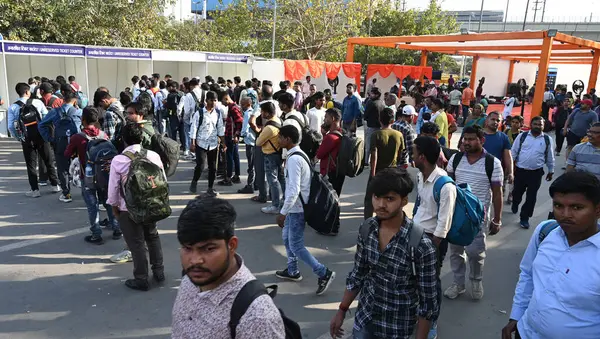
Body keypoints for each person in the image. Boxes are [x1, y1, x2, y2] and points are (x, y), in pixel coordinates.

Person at [330, 168, 438, 339]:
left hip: (397, 328)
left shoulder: (421, 246)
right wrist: (341, 311)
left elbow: (428, 304)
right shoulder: (367, 229)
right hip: (365, 321)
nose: (380, 204)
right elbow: (358, 274)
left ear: (404, 201)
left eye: (389, 199)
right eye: (376, 197)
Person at [502, 171, 600, 339]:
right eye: (558, 206)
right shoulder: (546, 231)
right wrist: (516, 316)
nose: (565, 215)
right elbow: (527, 274)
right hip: (525, 332)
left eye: (577, 207)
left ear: (598, 210)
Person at [172, 197, 285, 338]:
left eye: (208, 249)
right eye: (187, 248)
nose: (195, 260)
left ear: (231, 245)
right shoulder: (191, 278)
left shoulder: (257, 317)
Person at [274, 125, 336, 294]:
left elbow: (294, 190)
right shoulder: (297, 155)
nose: (278, 139)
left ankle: (323, 272)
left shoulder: (294, 159)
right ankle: (292, 270)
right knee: (287, 238)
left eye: (280, 137)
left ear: (288, 139)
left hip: (297, 209)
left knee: (296, 245)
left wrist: (283, 212)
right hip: (295, 206)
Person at [445, 125, 503, 301]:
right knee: (456, 252)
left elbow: (497, 192)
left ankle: (476, 281)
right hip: (455, 218)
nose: (467, 142)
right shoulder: (455, 159)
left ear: (482, 140)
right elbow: (447, 188)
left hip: (478, 219)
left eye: (471, 139)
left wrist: (497, 219)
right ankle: (458, 283)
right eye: (465, 139)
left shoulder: (492, 163)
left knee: (476, 253)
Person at [106, 122, 165, 291]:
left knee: (137, 242)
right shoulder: (153, 156)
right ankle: (159, 271)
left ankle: (141, 278)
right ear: (141, 138)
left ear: (123, 140)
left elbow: (113, 189)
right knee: (152, 236)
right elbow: (162, 180)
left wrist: (115, 208)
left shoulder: (119, 160)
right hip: (151, 203)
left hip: (128, 208)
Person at [412, 136, 457, 338]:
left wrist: (431, 248)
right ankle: (418, 315)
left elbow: (443, 225)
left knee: (431, 285)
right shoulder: (420, 176)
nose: (411, 155)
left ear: (422, 156)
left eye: (413, 152)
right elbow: (421, 206)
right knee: (414, 279)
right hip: (416, 235)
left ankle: (431, 323)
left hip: (432, 241)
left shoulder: (445, 185)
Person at [65, 107, 120, 244]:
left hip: (88, 176)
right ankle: (116, 228)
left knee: (92, 205)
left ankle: (96, 233)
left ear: (82, 120)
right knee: (108, 202)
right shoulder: (103, 135)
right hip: (105, 175)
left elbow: (67, 154)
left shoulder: (77, 137)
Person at [8, 82, 60, 198]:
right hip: (41, 136)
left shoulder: (13, 107)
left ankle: (35, 190)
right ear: (27, 91)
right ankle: (55, 185)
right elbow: (46, 117)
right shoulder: (37, 102)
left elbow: (11, 126)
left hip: (26, 138)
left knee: (31, 164)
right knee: (48, 160)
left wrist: (19, 137)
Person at [39, 85, 83, 203]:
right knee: (81, 165)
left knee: (62, 168)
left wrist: (49, 138)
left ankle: (66, 193)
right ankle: (85, 190)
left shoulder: (55, 112)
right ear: (74, 101)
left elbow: (41, 125)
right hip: (77, 142)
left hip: (60, 142)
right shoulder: (79, 112)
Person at [511, 116, 555, 229]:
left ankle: (525, 218)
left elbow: (550, 156)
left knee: (531, 197)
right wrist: (510, 169)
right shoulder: (523, 136)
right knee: (517, 193)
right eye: (535, 124)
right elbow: (513, 152)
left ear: (543, 126)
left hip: (536, 173)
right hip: (520, 171)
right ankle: (515, 202)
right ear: (531, 124)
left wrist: (551, 170)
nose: (537, 126)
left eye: (540, 124)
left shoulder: (547, 139)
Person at [364, 108, 406, 219]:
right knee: (390, 197)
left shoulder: (376, 134)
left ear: (379, 120)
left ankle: (368, 220)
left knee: (370, 198)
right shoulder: (398, 135)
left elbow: (374, 155)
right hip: (392, 171)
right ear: (393, 121)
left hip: (378, 170)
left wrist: (373, 174)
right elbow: (401, 153)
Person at [189, 91, 225, 196]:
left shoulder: (218, 113)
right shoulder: (199, 113)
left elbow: (220, 129)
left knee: (213, 167)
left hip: (213, 144)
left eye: (215, 100)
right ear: (206, 100)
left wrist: (223, 143)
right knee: (200, 165)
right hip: (201, 143)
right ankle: (194, 181)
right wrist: (193, 143)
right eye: (211, 100)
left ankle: (210, 188)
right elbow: (194, 128)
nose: (213, 102)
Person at [249, 84, 280, 204]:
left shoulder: (261, 105)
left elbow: (251, 121)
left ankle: (263, 195)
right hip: (277, 138)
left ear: (262, 94)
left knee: (260, 168)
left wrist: (258, 130)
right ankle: (273, 195)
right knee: (275, 170)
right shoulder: (277, 104)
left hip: (264, 137)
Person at [256, 102, 284, 214]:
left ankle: (275, 205)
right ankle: (284, 202)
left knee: (272, 181)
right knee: (281, 179)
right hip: (279, 154)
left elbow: (258, 142)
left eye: (262, 111)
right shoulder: (279, 121)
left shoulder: (269, 128)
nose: (261, 113)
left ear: (267, 112)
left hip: (270, 155)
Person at [316, 108, 344, 198]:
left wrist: (324, 135)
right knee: (335, 199)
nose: (324, 119)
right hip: (339, 172)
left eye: (326, 117)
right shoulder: (342, 133)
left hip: (329, 173)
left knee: (327, 200)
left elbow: (319, 154)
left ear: (332, 119)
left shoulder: (330, 137)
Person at [218, 91, 243, 186]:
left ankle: (228, 178)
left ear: (226, 98)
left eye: (222, 101)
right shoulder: (234, 107)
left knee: (229, 156)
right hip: (232, 135)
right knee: (235, 156)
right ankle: (236, 175)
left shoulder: (233, 108)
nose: (222, 103)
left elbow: (239, 121)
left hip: (231, 136)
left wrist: (236, 134)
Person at [181, 78, 204, 160]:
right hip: (205, 118)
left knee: (193, 136)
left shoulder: (189, 95)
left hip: (193, 118)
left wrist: (184, 119)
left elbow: (187, 111)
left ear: (191, 86)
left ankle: (195, 154)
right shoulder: (204, 92)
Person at [238, 97, 257, 194]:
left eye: (243, 104)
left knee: (251, 165)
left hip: (249, 142)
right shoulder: (254, 112)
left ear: (248, 104)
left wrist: (241, 136)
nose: (241, 106)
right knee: (255, 164)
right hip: (255, 141)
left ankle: (250, 185)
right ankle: (256, 184)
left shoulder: (247, 114)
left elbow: (245, 129)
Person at [363, 87, 385, 166]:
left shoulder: (371, 103)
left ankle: (366, 161)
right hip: (380, 127)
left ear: (376, 94)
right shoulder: (382, 103)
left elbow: (365, 115)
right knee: (377, 145)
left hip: (371, 126)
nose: (370, 95)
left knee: (368, 145)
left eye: (372, 93)